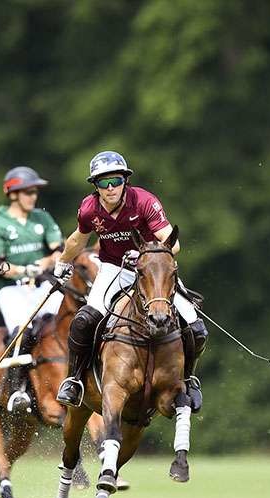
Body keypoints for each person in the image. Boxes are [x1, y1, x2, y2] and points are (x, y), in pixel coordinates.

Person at [50, 150, 208, 409]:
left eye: (116, 181)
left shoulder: (144, 201)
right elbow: (78, 239)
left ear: (126, 181)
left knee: (195, 326)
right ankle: (75, 379)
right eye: (103, 182)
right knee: (83, 321)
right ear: (95, 186)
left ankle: (188, 379)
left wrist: (146, 253)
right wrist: (63, 262)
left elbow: (173, 243)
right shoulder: (90, 209)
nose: (111, 188)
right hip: (114, 269)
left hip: (153, 271)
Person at [0, 166, 64, 410]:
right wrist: (22, 270)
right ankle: (19, 389)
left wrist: (46, 263)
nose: (33, 197)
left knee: (73, 322)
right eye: (27, 192)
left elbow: (58, 250)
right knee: (22, 332)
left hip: (43, 287)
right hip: (12, 289)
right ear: (13, 193)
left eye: (35, 192)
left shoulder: (43, 218)